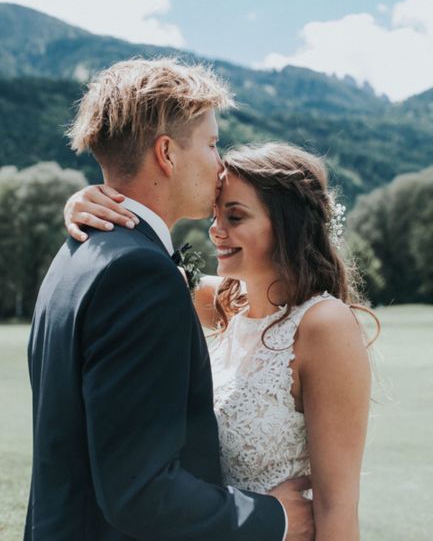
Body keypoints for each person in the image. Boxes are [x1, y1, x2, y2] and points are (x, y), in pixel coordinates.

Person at [25, 58, 314, 541]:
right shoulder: (137, 273)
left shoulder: (77, 251)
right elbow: (141, 494)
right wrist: (276, 519)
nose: (220, 164)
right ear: (167, 153)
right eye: (212, 143)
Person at [66, 139, 377, 541]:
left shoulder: (323, 325)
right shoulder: (226, 303)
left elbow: (336, 509)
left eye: (235, 216)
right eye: (216, 214)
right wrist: (82, 202)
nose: (215, 230)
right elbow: (139, 273)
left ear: (288, 226)